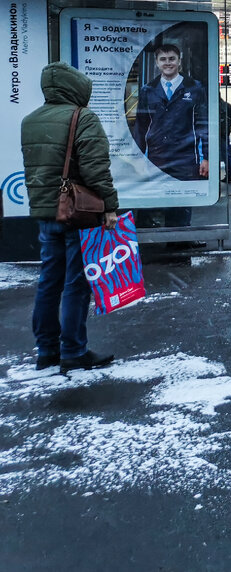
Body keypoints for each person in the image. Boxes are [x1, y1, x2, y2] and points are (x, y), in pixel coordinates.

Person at [20, 62, 119, 372]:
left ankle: (46, 350)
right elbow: (95, 170)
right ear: (76, 87)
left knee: (49, 281)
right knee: (77, 283)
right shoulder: (83, 117)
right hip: (79, 213)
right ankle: (74, 350)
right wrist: (110, 206)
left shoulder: (30, 120)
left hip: (47, 212)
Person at [133, 42, 208, 227]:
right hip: (156, 156)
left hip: (185, 157)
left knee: (181, 203)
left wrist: (207, 157)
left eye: (172, 59)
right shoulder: (148, 90)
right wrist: (138, 158)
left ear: (179, 61)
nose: (168, 63)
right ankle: (152, 239)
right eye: (163, 59)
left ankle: (180, 241)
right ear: (157, 63)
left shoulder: (195, 88)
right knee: (152, 201)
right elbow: (141, 127)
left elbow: (203, 124)